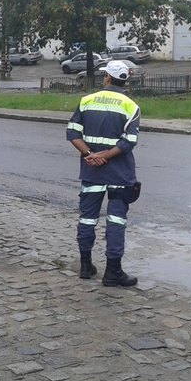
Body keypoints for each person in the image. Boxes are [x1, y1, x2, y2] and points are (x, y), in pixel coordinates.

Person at [66, 60, 140, 287]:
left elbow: (72, 132)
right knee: (116, 220)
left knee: (87, 218)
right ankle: (113, 272)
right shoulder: (131, 106)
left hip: (91, 172)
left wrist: (91, 155)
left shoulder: (86, 101)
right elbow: (129, 142)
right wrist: (106, 156)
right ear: (125, 80)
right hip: (119, 174)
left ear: (107, 77)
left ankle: (86, 266)